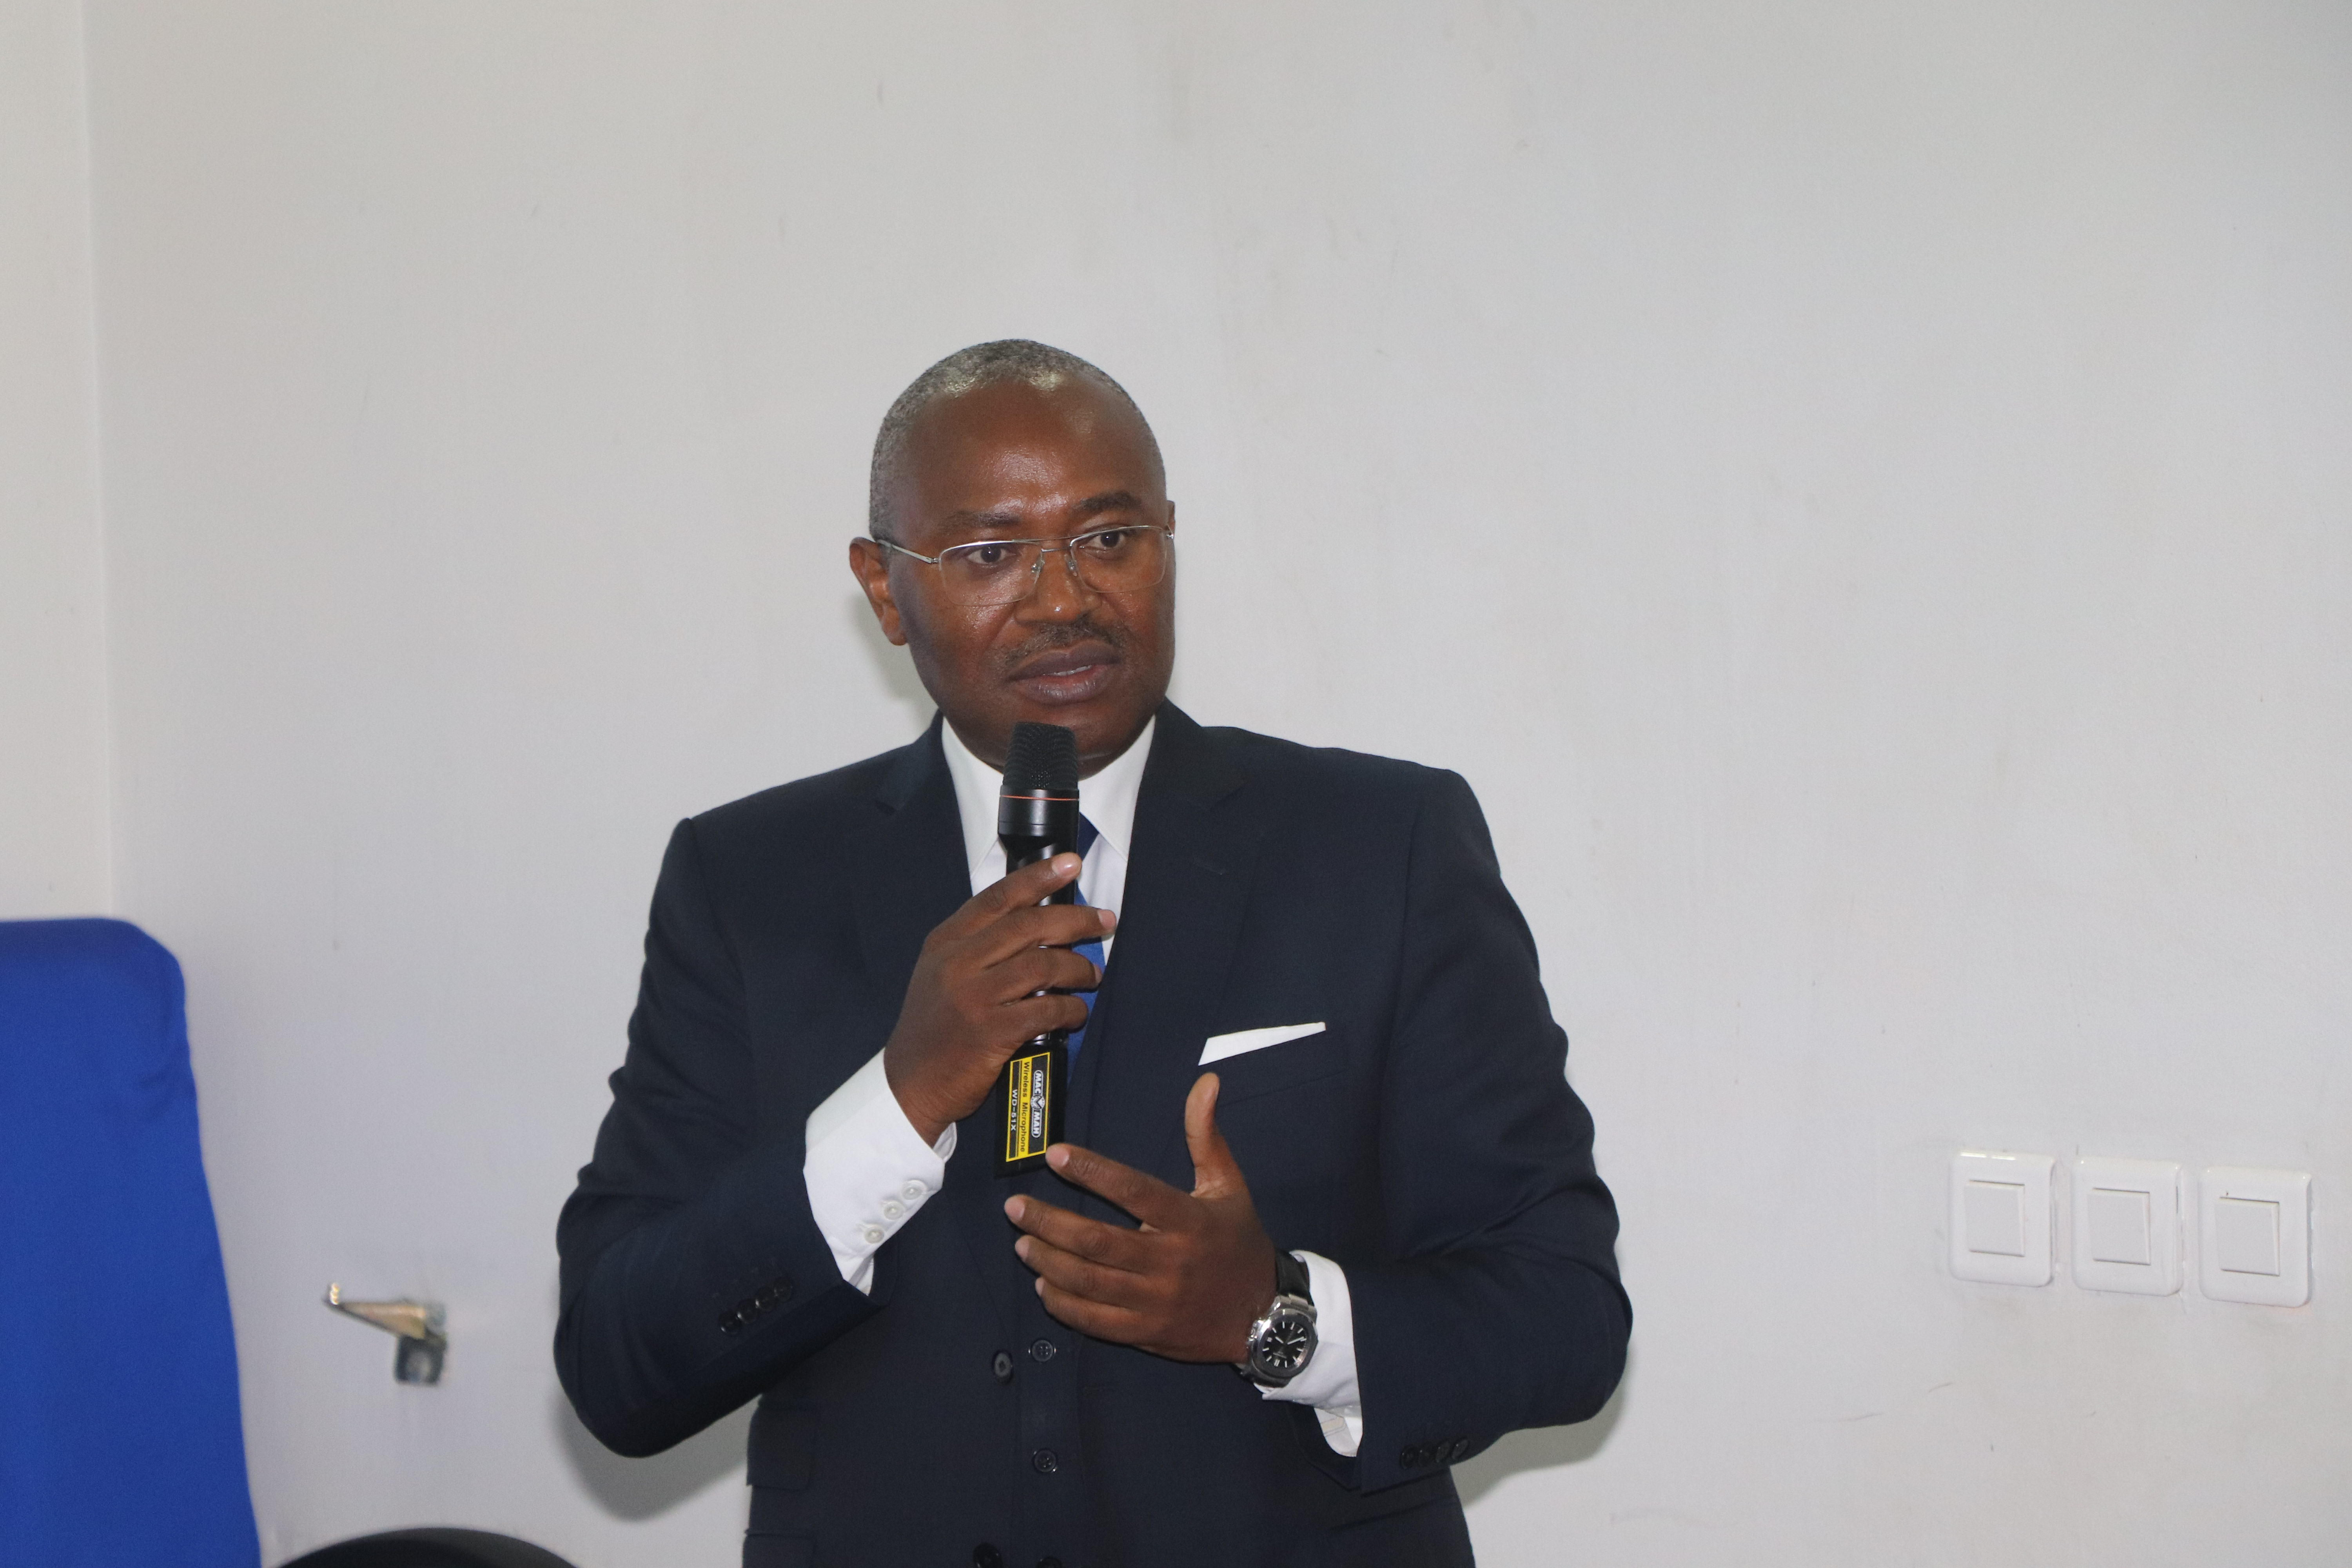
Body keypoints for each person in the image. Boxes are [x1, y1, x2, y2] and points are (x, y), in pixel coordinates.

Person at [555, 340, 1628, 1568]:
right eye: (990, 554)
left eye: (1110, 539)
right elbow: (618, 1366)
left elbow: (1565, 1317)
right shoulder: (748, 882)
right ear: (885, 589)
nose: (1064, 599)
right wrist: (900, 1099)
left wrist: (1271, 1316)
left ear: (1169, 543)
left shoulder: (1383, 847)